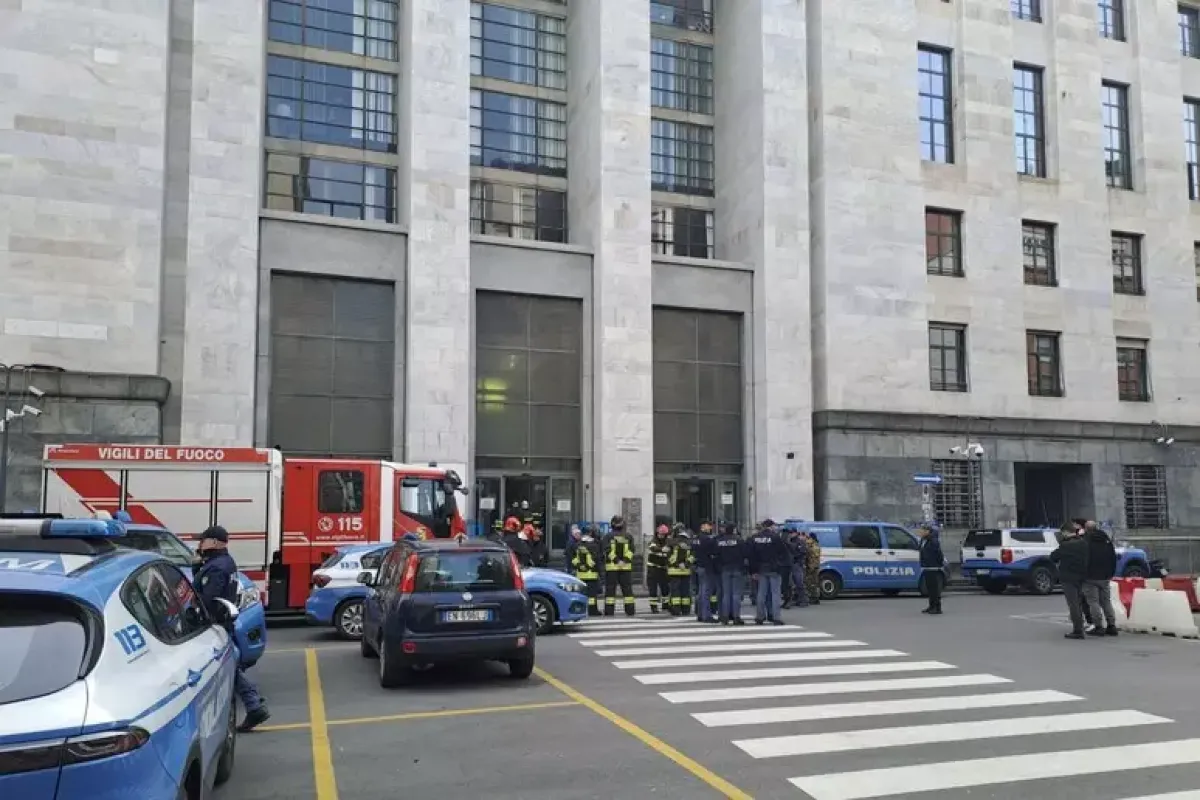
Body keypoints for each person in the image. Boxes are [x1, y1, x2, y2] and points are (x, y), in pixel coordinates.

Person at [195, 525, 270, 732]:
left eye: (204, 540)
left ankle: (254, 704)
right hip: (221, 622)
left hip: (215, 623)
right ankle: (254, 704)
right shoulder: (220, 562)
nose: (200, 544)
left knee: (223, 666)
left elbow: (207, 598)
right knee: (229, 665)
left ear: (215, 542)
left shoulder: (217, 567)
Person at [1051, 522, 1093, 639]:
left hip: (1068, 578)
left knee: (1073, 604)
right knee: (1080, 602)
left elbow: (1053, 557)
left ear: (1065, 532)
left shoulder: (1065, 545)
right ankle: (1086, 623)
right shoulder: (1083, 543)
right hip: (1082, 576)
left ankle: (1078, 630)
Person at [749, 519, 790, 625]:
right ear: (771, 526)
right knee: (775, 594)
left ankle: (760, 616)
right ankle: (776, 617)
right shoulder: (775, 537)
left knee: (761, 594)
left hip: (761, 569)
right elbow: (784, 553)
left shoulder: (755, 538)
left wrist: (753, 571)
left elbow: (752, 556)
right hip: (774, 569)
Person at [1083, 520, 1120, 636]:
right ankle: (1111, 625)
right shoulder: (1107, 541)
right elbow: (1113, 558)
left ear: (1086, 529)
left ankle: (1098, 626)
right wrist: (1110, 573)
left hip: (1090, 576)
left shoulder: (1085, 542)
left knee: (1093, 602)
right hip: (1105, 576)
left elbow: (1084, 559)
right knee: (1106, 602)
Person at [603, 515, 636, 616]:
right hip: (625, 567)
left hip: (612, 567)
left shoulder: (608, 536)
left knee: (610, 591)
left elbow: (607, 551)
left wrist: (617, 561)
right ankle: (630, 611)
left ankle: (609, 612)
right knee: (627, 590)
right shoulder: (628, 536)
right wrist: (624, 561)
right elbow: (631, 550)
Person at [714, 522, 746, 625]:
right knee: (736, 594)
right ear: (734, 530)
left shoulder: (720, 541)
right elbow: (744, 554)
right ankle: (736, 617)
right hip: (737, 568)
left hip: (725, 569)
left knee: (726, 594)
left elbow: (716, 556)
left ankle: (725, 617)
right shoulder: (739, 541)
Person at [916, 521, 946, 615]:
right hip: (926, 567)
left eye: (922, 530)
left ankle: (937, 607)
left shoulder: (933, 540)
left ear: (928, 531)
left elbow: (938, 553)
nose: (920, 532)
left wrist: (938, 564)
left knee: (934, 589)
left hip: (933, 567)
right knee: (929, 588)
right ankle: (931, 606)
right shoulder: (923, 540)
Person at [571, 529, 602, 616]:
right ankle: (592, 611)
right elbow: (596, 560)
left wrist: (580, 566)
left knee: (581, 593)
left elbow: (573, 559)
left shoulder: (577, 545)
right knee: (592, 595)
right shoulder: (594, 545)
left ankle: (580, 610)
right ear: (590, 534)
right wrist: (598, 572)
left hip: (580, 575)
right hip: (591, 574)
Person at [693, 521, 719, 623]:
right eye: (708, 526)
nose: (710, 527)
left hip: (698, 566)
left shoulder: (696, 539)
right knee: (706, 592)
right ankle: (706, 615)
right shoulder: (708, 539)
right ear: (702, 527)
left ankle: (700, 614)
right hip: (707, 567)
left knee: (700, 592)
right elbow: (714, 552)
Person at [666, 529, 695, 616]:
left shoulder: (672, 543)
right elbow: (692, 557)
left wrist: (678, 564)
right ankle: (686, 610)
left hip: (674, 571)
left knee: (675, 592)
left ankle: (676, 610)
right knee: (685, 591)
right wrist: (685, 564)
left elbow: (669, 557)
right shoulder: (690, 544)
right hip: (685, 571)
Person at [646, 524, 673, 614]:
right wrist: (662, 549)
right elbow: (652, 548)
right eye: (659, 534)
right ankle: (653, 607)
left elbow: (671, 552)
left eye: (663, 534)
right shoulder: (653, 541)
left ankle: (665, 605)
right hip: (653, 568)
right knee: (653, 589)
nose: (661, 536)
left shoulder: (668, 542)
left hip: (663, 568)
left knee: (665, 588)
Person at [786, 530, 810, 608]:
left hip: (797, 564)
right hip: (791, 564)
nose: (791, 534)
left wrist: (795, 556)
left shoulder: (800, 542)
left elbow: (802, 552)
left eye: (792, 533)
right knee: (791, 584)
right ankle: (796, 599)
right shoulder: (789, 541)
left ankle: (803, 600)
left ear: (796, 533)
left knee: (799, 583)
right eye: (790, 533)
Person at [804, 531, 823, 605]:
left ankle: (815, 598)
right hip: (812, 566)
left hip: (813, 567)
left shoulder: (815, 546)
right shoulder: (813, 545)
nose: (808, 540)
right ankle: (813, 597)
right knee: (811, 583)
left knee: (813, 583)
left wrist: (811, 567)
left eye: (809, 538)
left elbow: (814, 556)